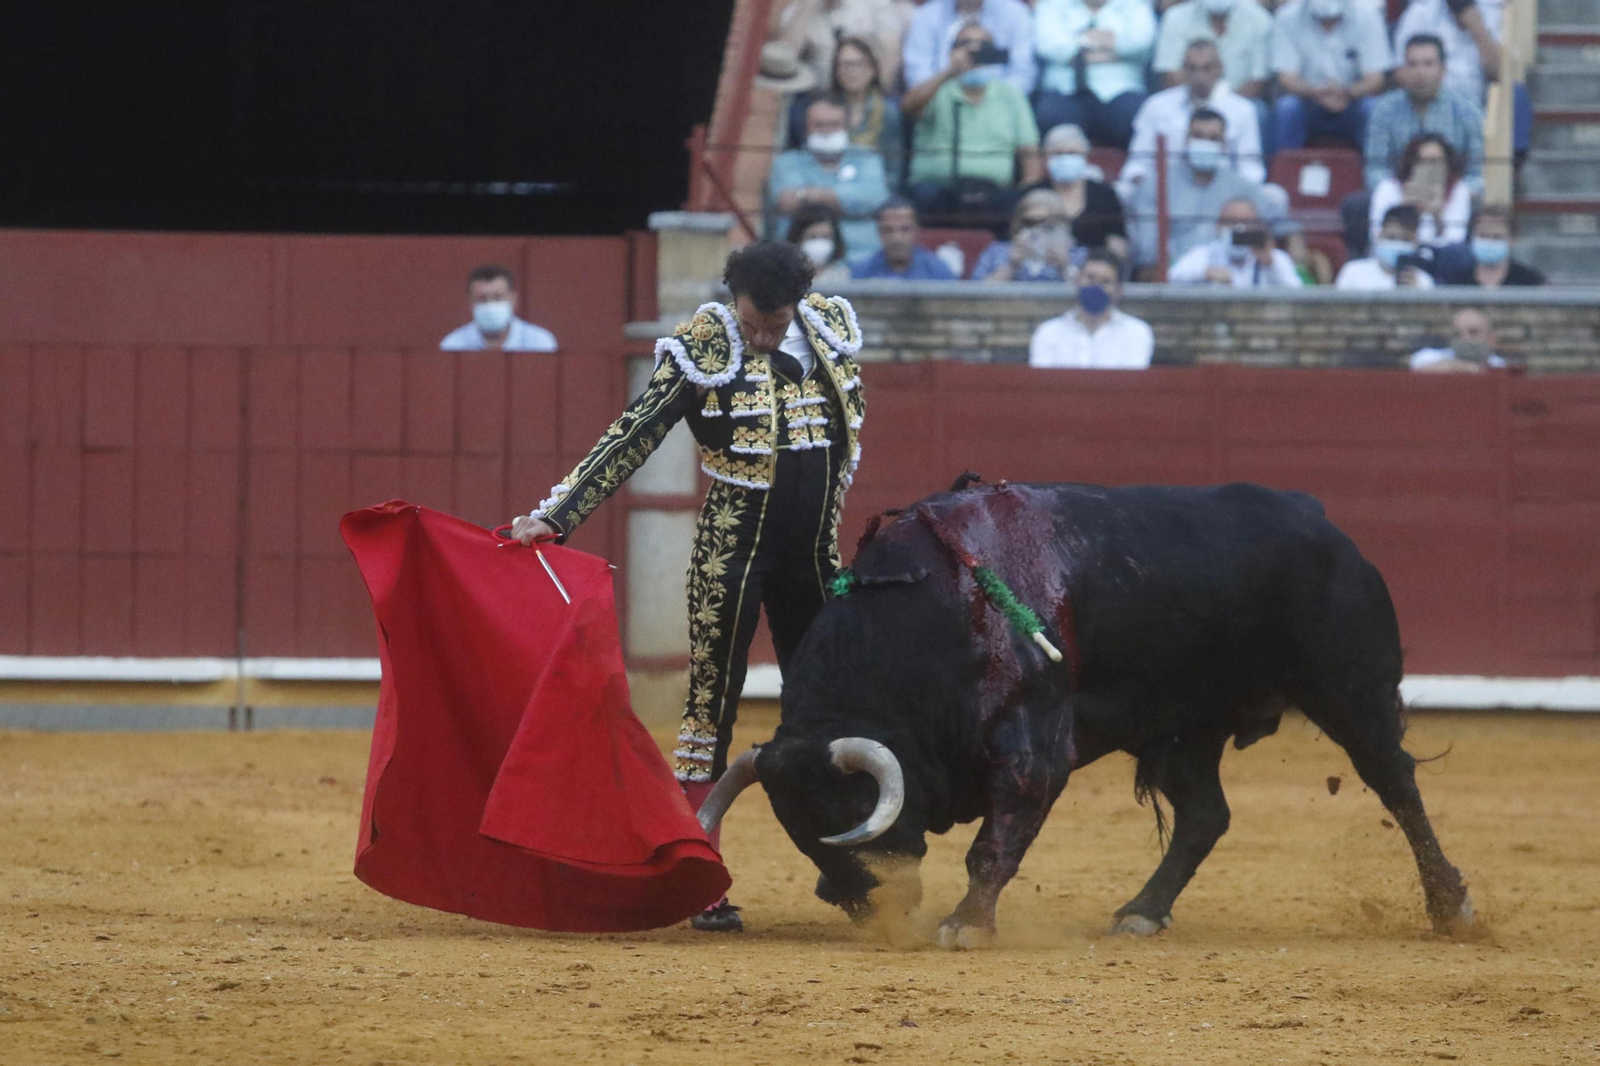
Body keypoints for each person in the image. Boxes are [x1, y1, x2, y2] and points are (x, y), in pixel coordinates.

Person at [509, 243, 869, 934]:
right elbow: (634, 433)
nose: (763, 333)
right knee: (710, 706)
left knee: (832, 706)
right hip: (732, 551)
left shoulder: (826, 329)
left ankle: (844, 861)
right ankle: (701, 871)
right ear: (735, 296)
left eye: (775, 319)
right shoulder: (703, 345)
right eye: (756, 319)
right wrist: (558, 515)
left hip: (814, 558)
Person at [903, 23, 1043, 214]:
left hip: (994, 191)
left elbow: (1030, 153)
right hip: (937, 188)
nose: (974, 50)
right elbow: (908, 107)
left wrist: (1027, 191)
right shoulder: (935, 89)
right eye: (965, 44)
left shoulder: (1011, 95)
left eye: (983, 45)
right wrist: (949, 72)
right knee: (925, 196)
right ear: (951, 51)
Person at [1122, 39, 1265, 197]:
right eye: (1192, 68)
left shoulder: (1242, 110)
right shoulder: (1156, 106)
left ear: (1220, 69)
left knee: (1275, 195)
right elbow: (1138, 163)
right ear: (1182, 70)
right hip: (1166, 192)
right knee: (1123, 192)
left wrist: (1234, 197)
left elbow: (1251, 168)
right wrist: (1149, 188)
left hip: (1225, 194)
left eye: (1206, 68)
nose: (1199, 76)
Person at [1128, 108, 1264, 270]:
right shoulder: (1156, 184)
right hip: (1171, 277)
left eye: (1213, 139)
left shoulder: (1241, 187)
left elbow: (1277, 225)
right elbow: (1148, 250)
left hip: (1228, 278)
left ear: (1224, 145)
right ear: (1186, 140)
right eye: (1198, 136)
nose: (1205, 144)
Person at [769, 96, 892, 259]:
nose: (827, 131)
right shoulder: (786, 162)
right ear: (805, 129)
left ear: (847, 127)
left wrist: (807, 194)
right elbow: (785, 202)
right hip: (799, 261)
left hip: (861, 257)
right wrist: (843, 200)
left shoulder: (868, 159)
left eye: (834, 125)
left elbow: (874, 199)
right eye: (819, 125)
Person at [1364, 35, 1486, 196]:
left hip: (1450, 199)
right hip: (1399, 200)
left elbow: (1476, 174)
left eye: (1428, 64)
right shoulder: (1384, 109)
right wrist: (1399, 194)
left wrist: (1451, 196)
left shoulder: (1467, 111)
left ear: (1443, 69)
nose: (1420, 72)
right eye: (1412, 64)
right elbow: (1375, 168)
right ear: (1403, 70)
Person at [1033, 0, 1157, 149]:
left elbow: (1140, 43)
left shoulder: (1136, 5)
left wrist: (1078, 45)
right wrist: (1112, 48)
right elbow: (1050, 47)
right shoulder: (1052, 5)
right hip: (1065, 91)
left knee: (1139, 116)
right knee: (1050, 114)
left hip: (1122, 91)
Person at [1271, 0, 1393, 151]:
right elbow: (1286, 76)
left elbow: (1375, 77)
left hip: (1352, 100)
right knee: (1287, 108)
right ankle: (1285, 170)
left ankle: (1374, 172)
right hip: (1307, 100)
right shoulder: (1287, 16)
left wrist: (1346, 93)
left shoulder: (1368, 15)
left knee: (1372, 108)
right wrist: (1315, 92)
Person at [785, 37, 906, 172]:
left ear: (872, 69)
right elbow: (805, 154)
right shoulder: (818, 109)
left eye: (858, 64)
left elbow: (893, 165)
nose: (851, 71)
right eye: (845, 65)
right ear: (836, 71)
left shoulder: (889, 113)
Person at [1028, 250, 1155, 368]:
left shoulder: (1136, 333)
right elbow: (1042, 384)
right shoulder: (1048, 332)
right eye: (1090, 278)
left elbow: (1131, 383)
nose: (1096, 286)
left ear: (1118, 290)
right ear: (1077, 281)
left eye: (1105, 282)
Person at [763, 0, 916, 92]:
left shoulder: (875, 4)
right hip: (817, 99)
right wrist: (809, 5)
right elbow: (783, 59)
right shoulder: (800, 10)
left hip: (866, 96)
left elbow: (888, 62)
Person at [902, 0, 1036, 95]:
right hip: (941, 106)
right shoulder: (927, 15)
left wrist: (986, 100)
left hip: (1001, 108)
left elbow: (1023, 76)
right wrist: (951, 73)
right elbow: (916, 80)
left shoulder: (1015, 13)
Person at [1036, 123, 1128, 259]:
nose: (1065, 158)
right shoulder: (1034, 193)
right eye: (1058, 153)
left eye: (1072, 153)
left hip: (1092, 271)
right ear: (1046, 158)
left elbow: (1118, 245)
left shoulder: (1105, 196)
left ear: (1085, 156)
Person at [1168, 196, 1305, 286]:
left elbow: (1297, 293)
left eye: (1246, 222)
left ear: (1257, 226)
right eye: (1232, 222)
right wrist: (1205, 272)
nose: (1239, 229)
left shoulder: (1274, 258)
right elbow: (1171, 278)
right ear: (1218, 226)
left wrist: (1270, 264)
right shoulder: (1204, 254)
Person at [1367, 133, 1472, 251]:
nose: (1429, 168)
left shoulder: (1458, 189)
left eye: (1436, 162)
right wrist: (1406, 209)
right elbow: (1376, 236)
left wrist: (1437, 216)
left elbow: (1455, 242)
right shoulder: (1388, 187)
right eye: (1422, 161)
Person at [1152, 0, 1274, 99]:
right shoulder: (1175, 17)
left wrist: (1226, 105)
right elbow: (1170, 74)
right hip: (1186, 102)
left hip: (1241, 102)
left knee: (1257, 110)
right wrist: (1197, 104)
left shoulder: (1260, 19)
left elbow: (1259, 80)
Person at [1394, 0, 1503, 103]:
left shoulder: (1498, 12)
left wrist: (1475, 23)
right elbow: (1401, 73)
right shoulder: (1419, 13)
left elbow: (1499, 74)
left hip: (1479, 109)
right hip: (1426, 106)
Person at [439, 266, 558, 352]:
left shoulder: (539, 343)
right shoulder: (453, 345)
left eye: (498, 297)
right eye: (482, 299)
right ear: (470, 303)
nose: (490, 305)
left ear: (513, 299)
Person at [972, 188, 1077, 282]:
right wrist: (1011, 267)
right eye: (1030, 223)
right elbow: (973, 295)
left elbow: (1088, 295)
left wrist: (1065, 268)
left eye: (1046, 224)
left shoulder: (1076, 254)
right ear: (1018, 222)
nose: (1037, 230)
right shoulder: (996, 252)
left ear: (1061, 225)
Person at [1434, 203, 1547, 287]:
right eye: (1483, 236)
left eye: (1497, 237)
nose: (1489, 242)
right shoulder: (1457, 281)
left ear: (1513, 239)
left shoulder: (1530, 281)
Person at [1335, 204, 1436, 289]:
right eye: (1391, 238)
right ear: (1379, 236)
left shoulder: (1424, 282)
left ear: (1415, 244)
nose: (1398, 245)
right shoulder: (1353, 272)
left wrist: (1417, 296)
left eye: (1405, 240)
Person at [851, 198, 959, 279]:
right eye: (888, 230)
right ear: (879, 232)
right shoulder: (861, 272)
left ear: (917, 230)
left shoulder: (938, 272)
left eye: (905, 229)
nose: (896, 238)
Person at [1410, 307, 1506, 371]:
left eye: (1473, 332)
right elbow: (1418, 364)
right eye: (1457, 333)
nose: (1464, 338)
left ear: (1490, 338)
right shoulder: (1431, 357)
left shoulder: (1498, 364)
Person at [787, 202, 855, 285]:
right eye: (813, 237)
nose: (819, 243)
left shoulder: (842, 274)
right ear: (798, 239)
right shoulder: (787, 277)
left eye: (826, 237)